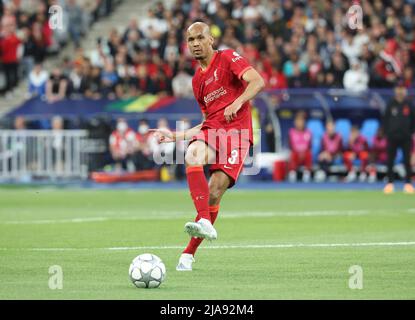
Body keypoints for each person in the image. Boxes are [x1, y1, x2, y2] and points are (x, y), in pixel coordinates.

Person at [150, 22, 265, 271]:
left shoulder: (227, 58)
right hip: (214, 131)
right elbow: (206, 121)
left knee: (214, 192)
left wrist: (238, 102)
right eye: (190, 40)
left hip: (238, 134)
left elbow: (257, 81)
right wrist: (176, 135)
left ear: (211, 39)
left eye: (200, 38)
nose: (195, 44)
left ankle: (188, 254)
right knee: (193, 153)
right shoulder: (197, 81)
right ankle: (203, 219)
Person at [383, 84, 415, 194]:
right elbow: (385, 120)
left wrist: (411, 133)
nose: (400, 91)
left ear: (405, 91)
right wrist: (387, 133)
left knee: (407, 161)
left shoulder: (409, 104)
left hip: (406, 138)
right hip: (392, 137)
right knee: (390, 161)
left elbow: (413, 120)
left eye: (402, 89)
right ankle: (390, 183)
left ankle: (408, 184)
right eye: (398, 89)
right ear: (395, 90)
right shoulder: (391, 104)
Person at [288, 113, 312, 182]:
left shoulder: (308, 132)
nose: (300, 123)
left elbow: (309, 146)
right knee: (293, 154)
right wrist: (298, 152)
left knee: (308, 154)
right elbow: (291, 146)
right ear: (295, 122)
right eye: (298, 121)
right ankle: (292, 173)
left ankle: (307, 173)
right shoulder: (291, 132)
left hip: (305, 154)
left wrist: (303, 152)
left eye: (301, 121)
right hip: (296, 154)